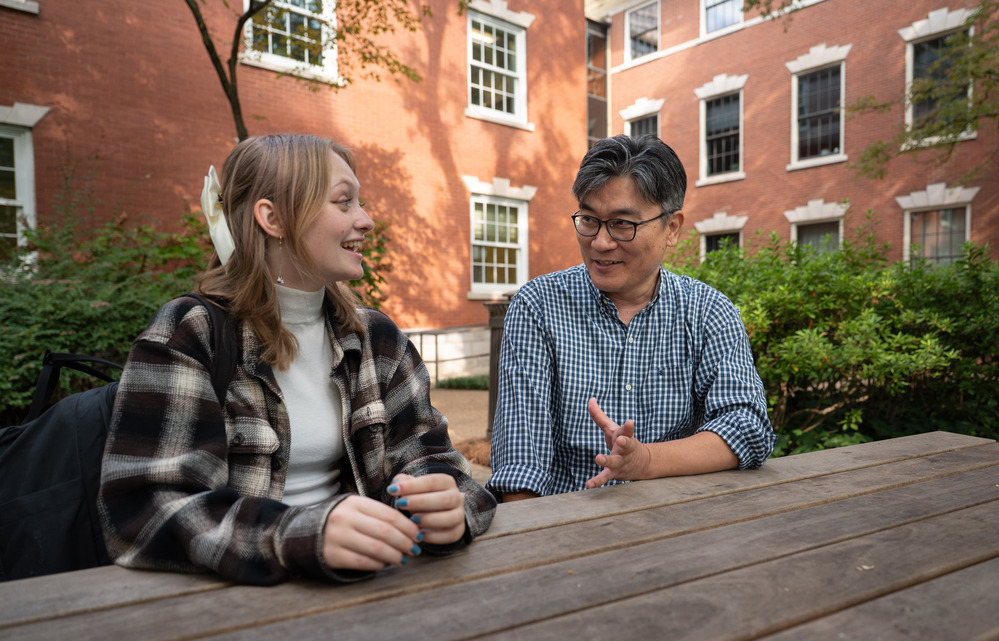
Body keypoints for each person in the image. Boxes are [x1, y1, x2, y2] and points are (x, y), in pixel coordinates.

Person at [98, 134, 496, 585]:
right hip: (232, 606)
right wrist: (300, 534)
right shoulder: (192, 334)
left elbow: (442, 466)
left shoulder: (376, 339)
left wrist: (449, 508)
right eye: (344, 203)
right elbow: (144, 511)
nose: (366, 220)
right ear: (273, 218)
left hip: (370, 595)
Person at [487, 134, 775, 502]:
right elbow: (519, 468)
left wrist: (646, 460)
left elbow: (747, 428)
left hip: (678, 529)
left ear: (671, 229)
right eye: (589, 219)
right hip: (562, 530)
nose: (601, 242)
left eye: (623, 224)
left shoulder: (707, 312)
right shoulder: (538, 307)